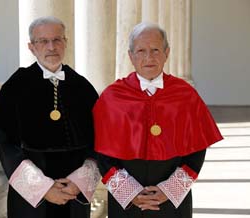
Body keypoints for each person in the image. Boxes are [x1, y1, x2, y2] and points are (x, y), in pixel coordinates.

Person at [93, 22, 223, 218]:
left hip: (172, 200)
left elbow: (197, 150)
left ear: (166, 52)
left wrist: (169, 190)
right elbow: (101, 153)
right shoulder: (112, 97)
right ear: (130, 56)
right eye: (141, 51)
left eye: (155, 50)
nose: (148, 57)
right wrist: (130, 192)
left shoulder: (185, 94)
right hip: (126, 203)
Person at [0, 16, 100, 218]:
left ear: (66, 43)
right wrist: (44, 189)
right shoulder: (16, 87)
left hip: (73, 195)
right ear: (31, 47)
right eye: (43, 41)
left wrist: (79, 182)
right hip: (31, 200)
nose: (51, 47)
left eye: (57, 39)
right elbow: (5, 145)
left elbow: (99, 142)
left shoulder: (82, 87)